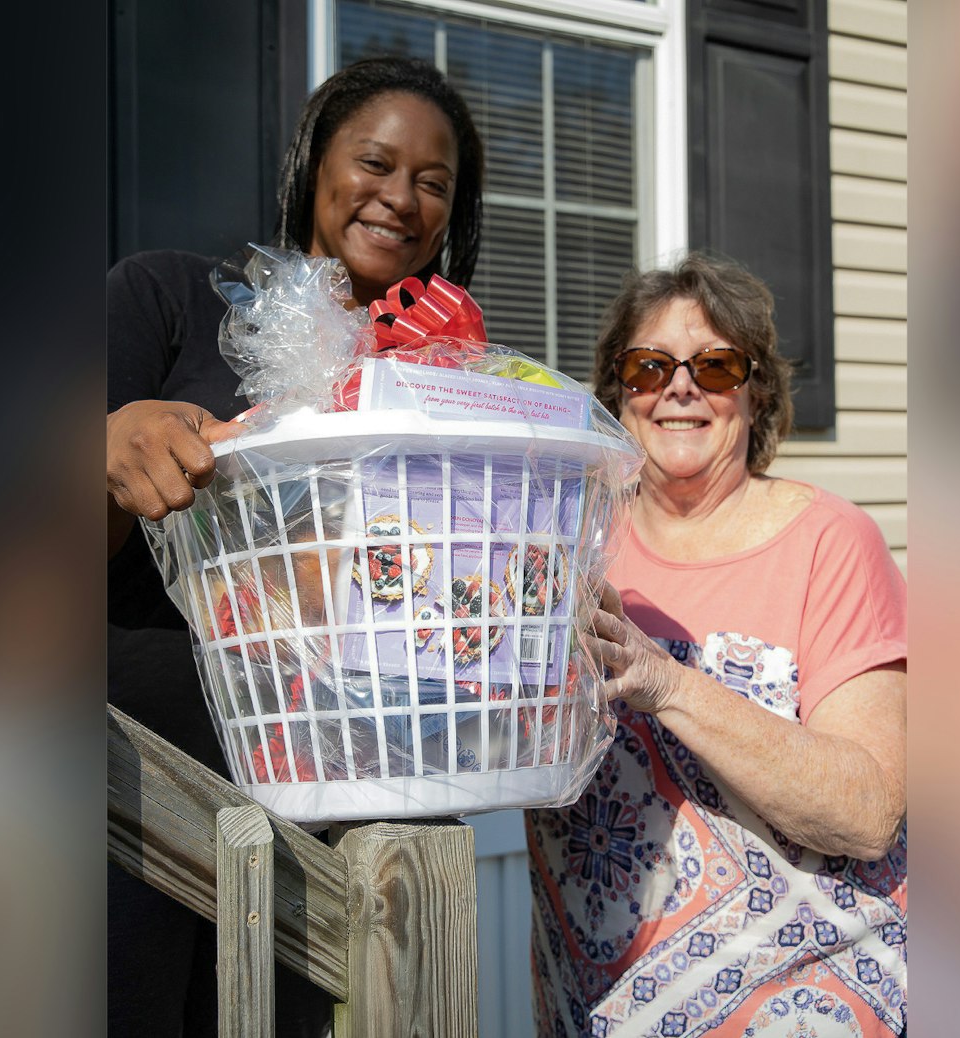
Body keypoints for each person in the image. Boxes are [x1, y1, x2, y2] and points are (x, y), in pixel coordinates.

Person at [105, 56, 483, 1038]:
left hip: (315, 847)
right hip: (127, 811)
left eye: (432, 182)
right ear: (314, 165)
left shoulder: (446, 392)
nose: (399, 197)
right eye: (373, 161)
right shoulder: (169, 300)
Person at [528, 253, 908, 1037]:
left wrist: (666, 684)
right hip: (597, 1013)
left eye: (716, 365)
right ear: (617, 391)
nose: (680, 386)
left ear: (755, 390)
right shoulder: (566, 541)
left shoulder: (830, 542)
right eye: (649, 365)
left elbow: (867, 811)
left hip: (806, 1011)